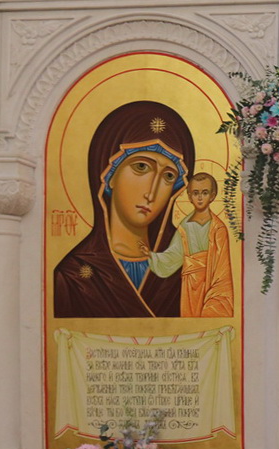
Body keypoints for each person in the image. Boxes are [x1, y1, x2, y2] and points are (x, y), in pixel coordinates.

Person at [54, 101, 193, 318]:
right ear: (108, 175)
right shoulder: (74, 276)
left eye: (168, 176)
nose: (152, 193)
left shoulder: (186, 270)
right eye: (141, 167)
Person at [146, 171, 234, 317]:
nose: (199, 197)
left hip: (210, 282)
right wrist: (150, 256)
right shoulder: (184, 227)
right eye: (195, 193)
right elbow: (173, 256)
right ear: (189, 196)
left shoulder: (218, 228)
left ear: (212, 196)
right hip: (189, 286)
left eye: (204, 193)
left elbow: (222, 268)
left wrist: (215, 298)